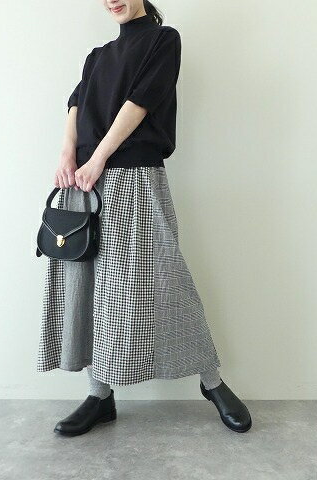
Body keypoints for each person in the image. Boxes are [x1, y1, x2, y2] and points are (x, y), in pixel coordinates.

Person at [37, 0, 251, 435]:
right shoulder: (97, 56)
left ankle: (212, 382)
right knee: (88, 283)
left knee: (163, 277)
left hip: (133, 175)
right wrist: (66, 156)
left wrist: (98, 158)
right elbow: (76, 104)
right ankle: (100, 396)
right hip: (82, 180)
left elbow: (140, 103)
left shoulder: (162, 40)